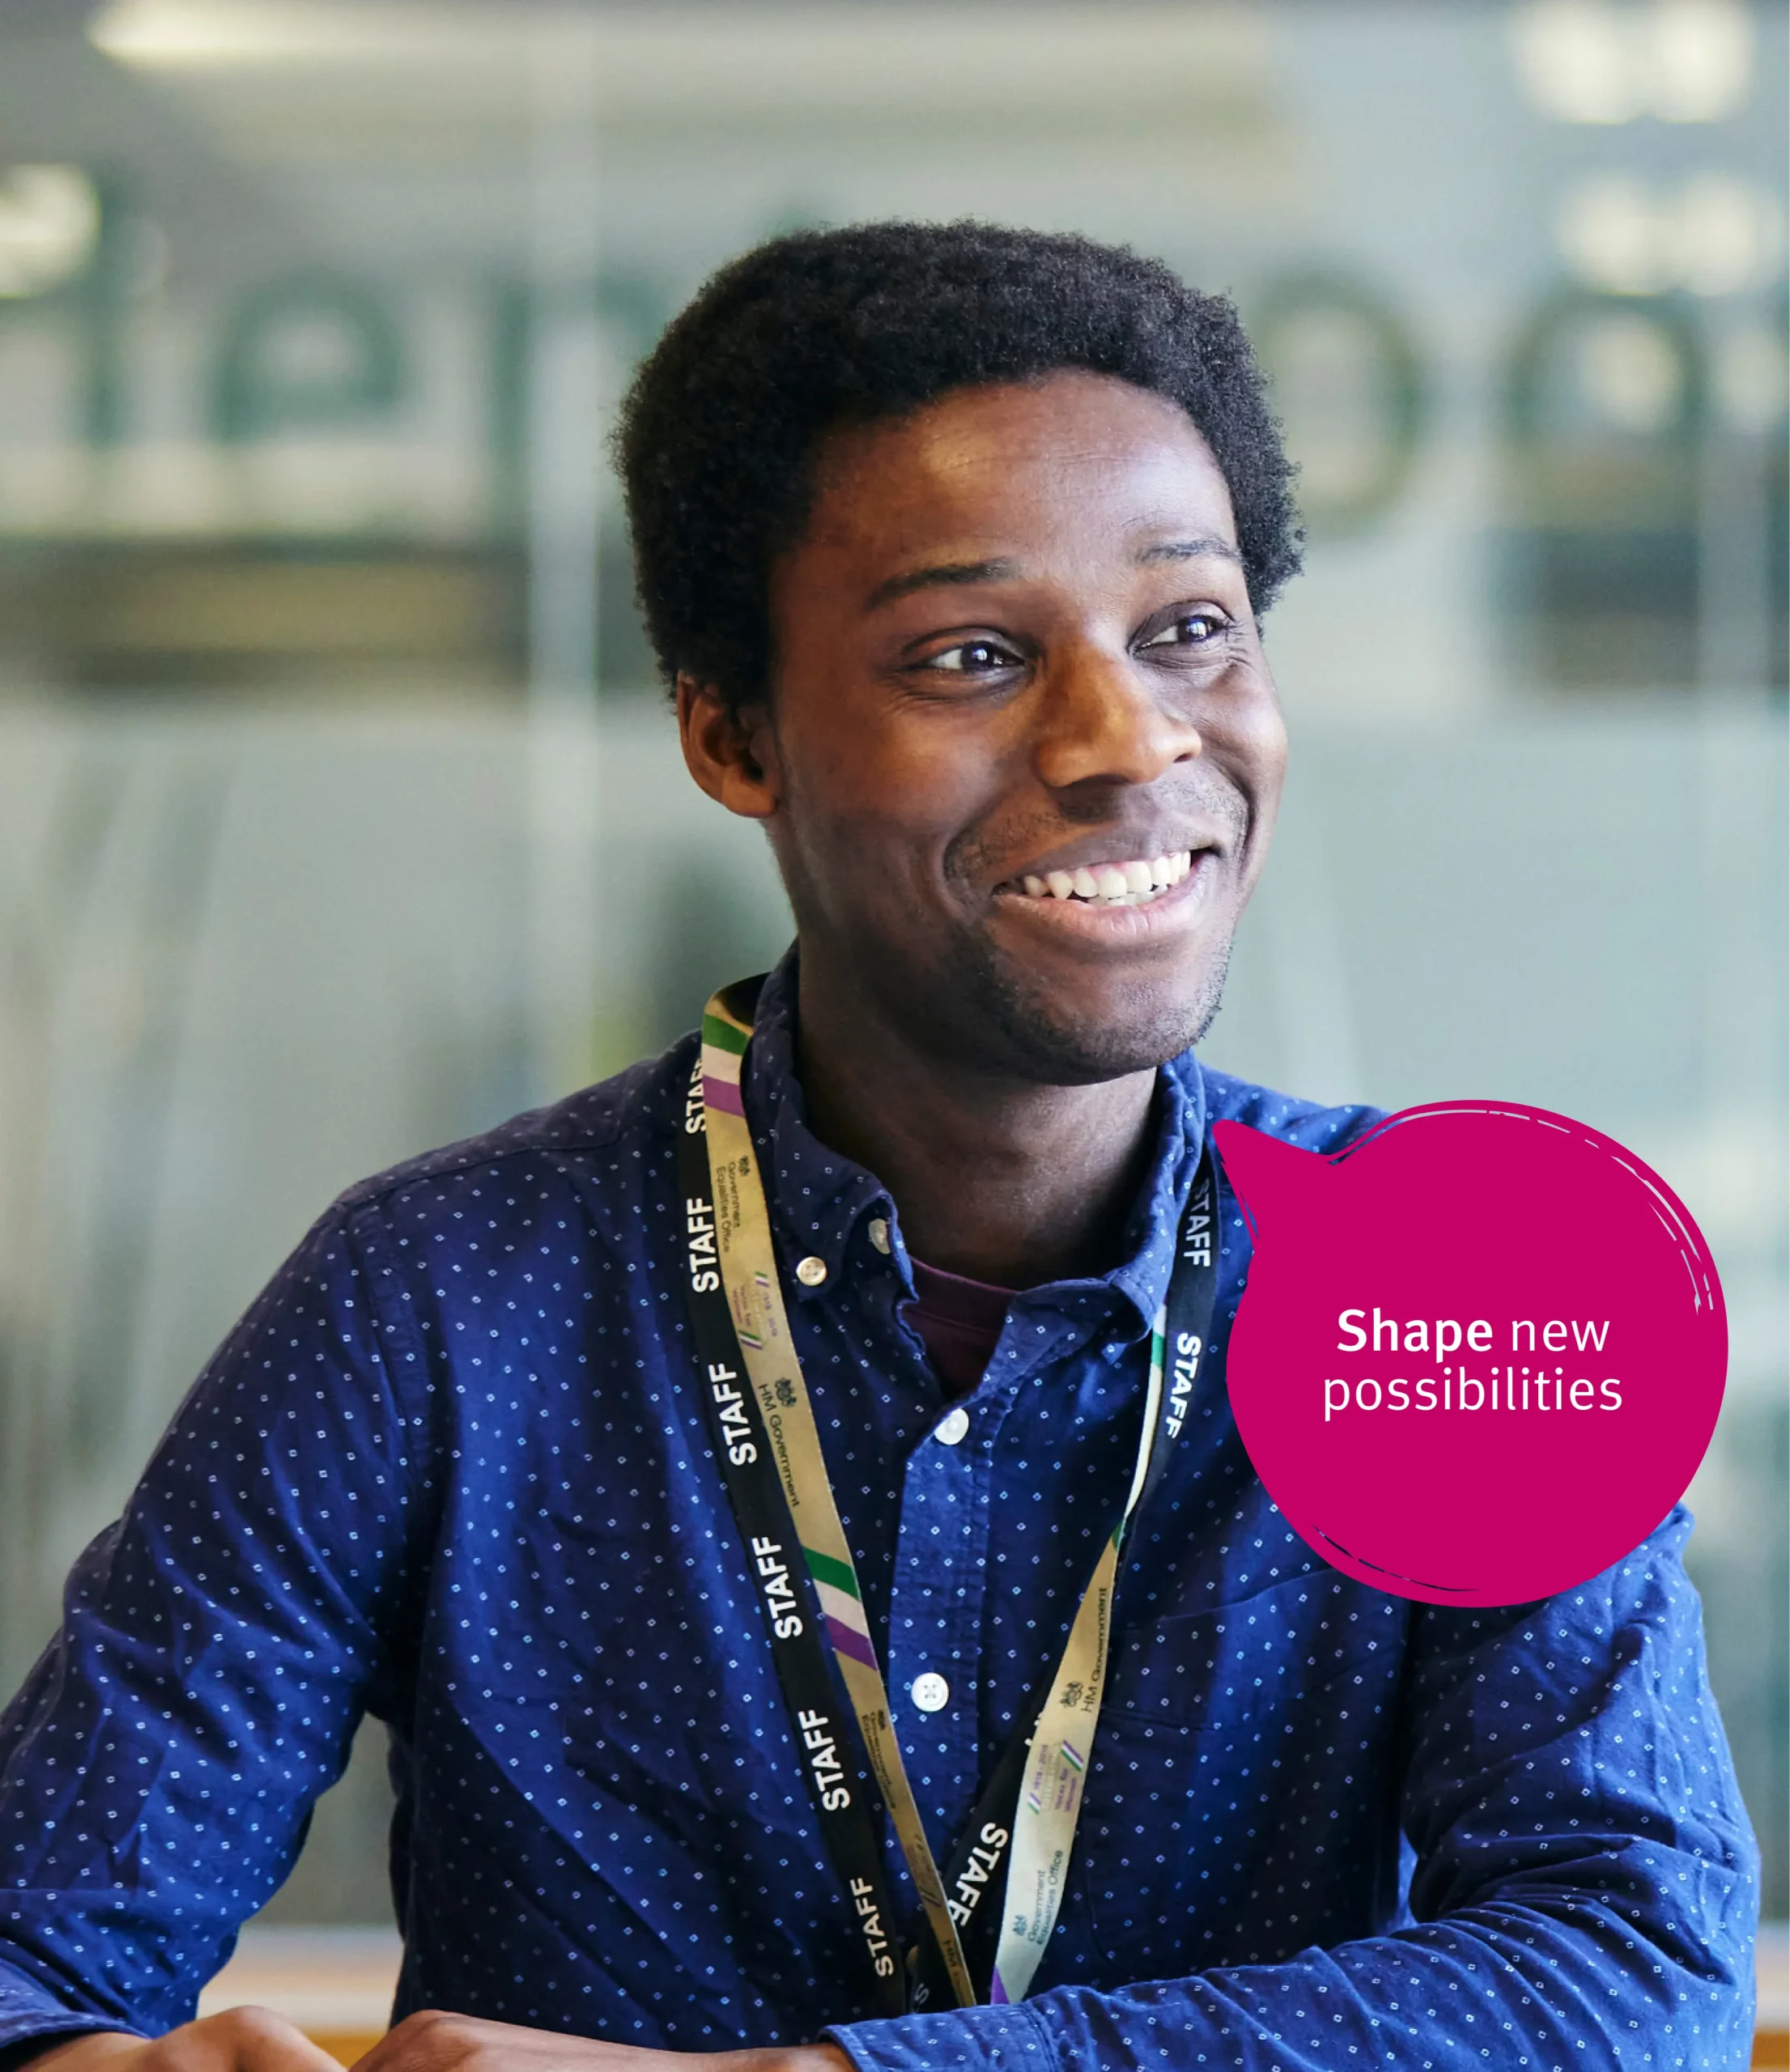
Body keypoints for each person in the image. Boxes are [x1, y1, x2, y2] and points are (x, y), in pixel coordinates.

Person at [0, 223, 1757, 2072]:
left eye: (1188, 629)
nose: (1123, 735)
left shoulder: (1454, 1280)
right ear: (732, 734)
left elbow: (1629, 1976)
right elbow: (35, 1948)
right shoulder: (437, 1294)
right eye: (971, 653)